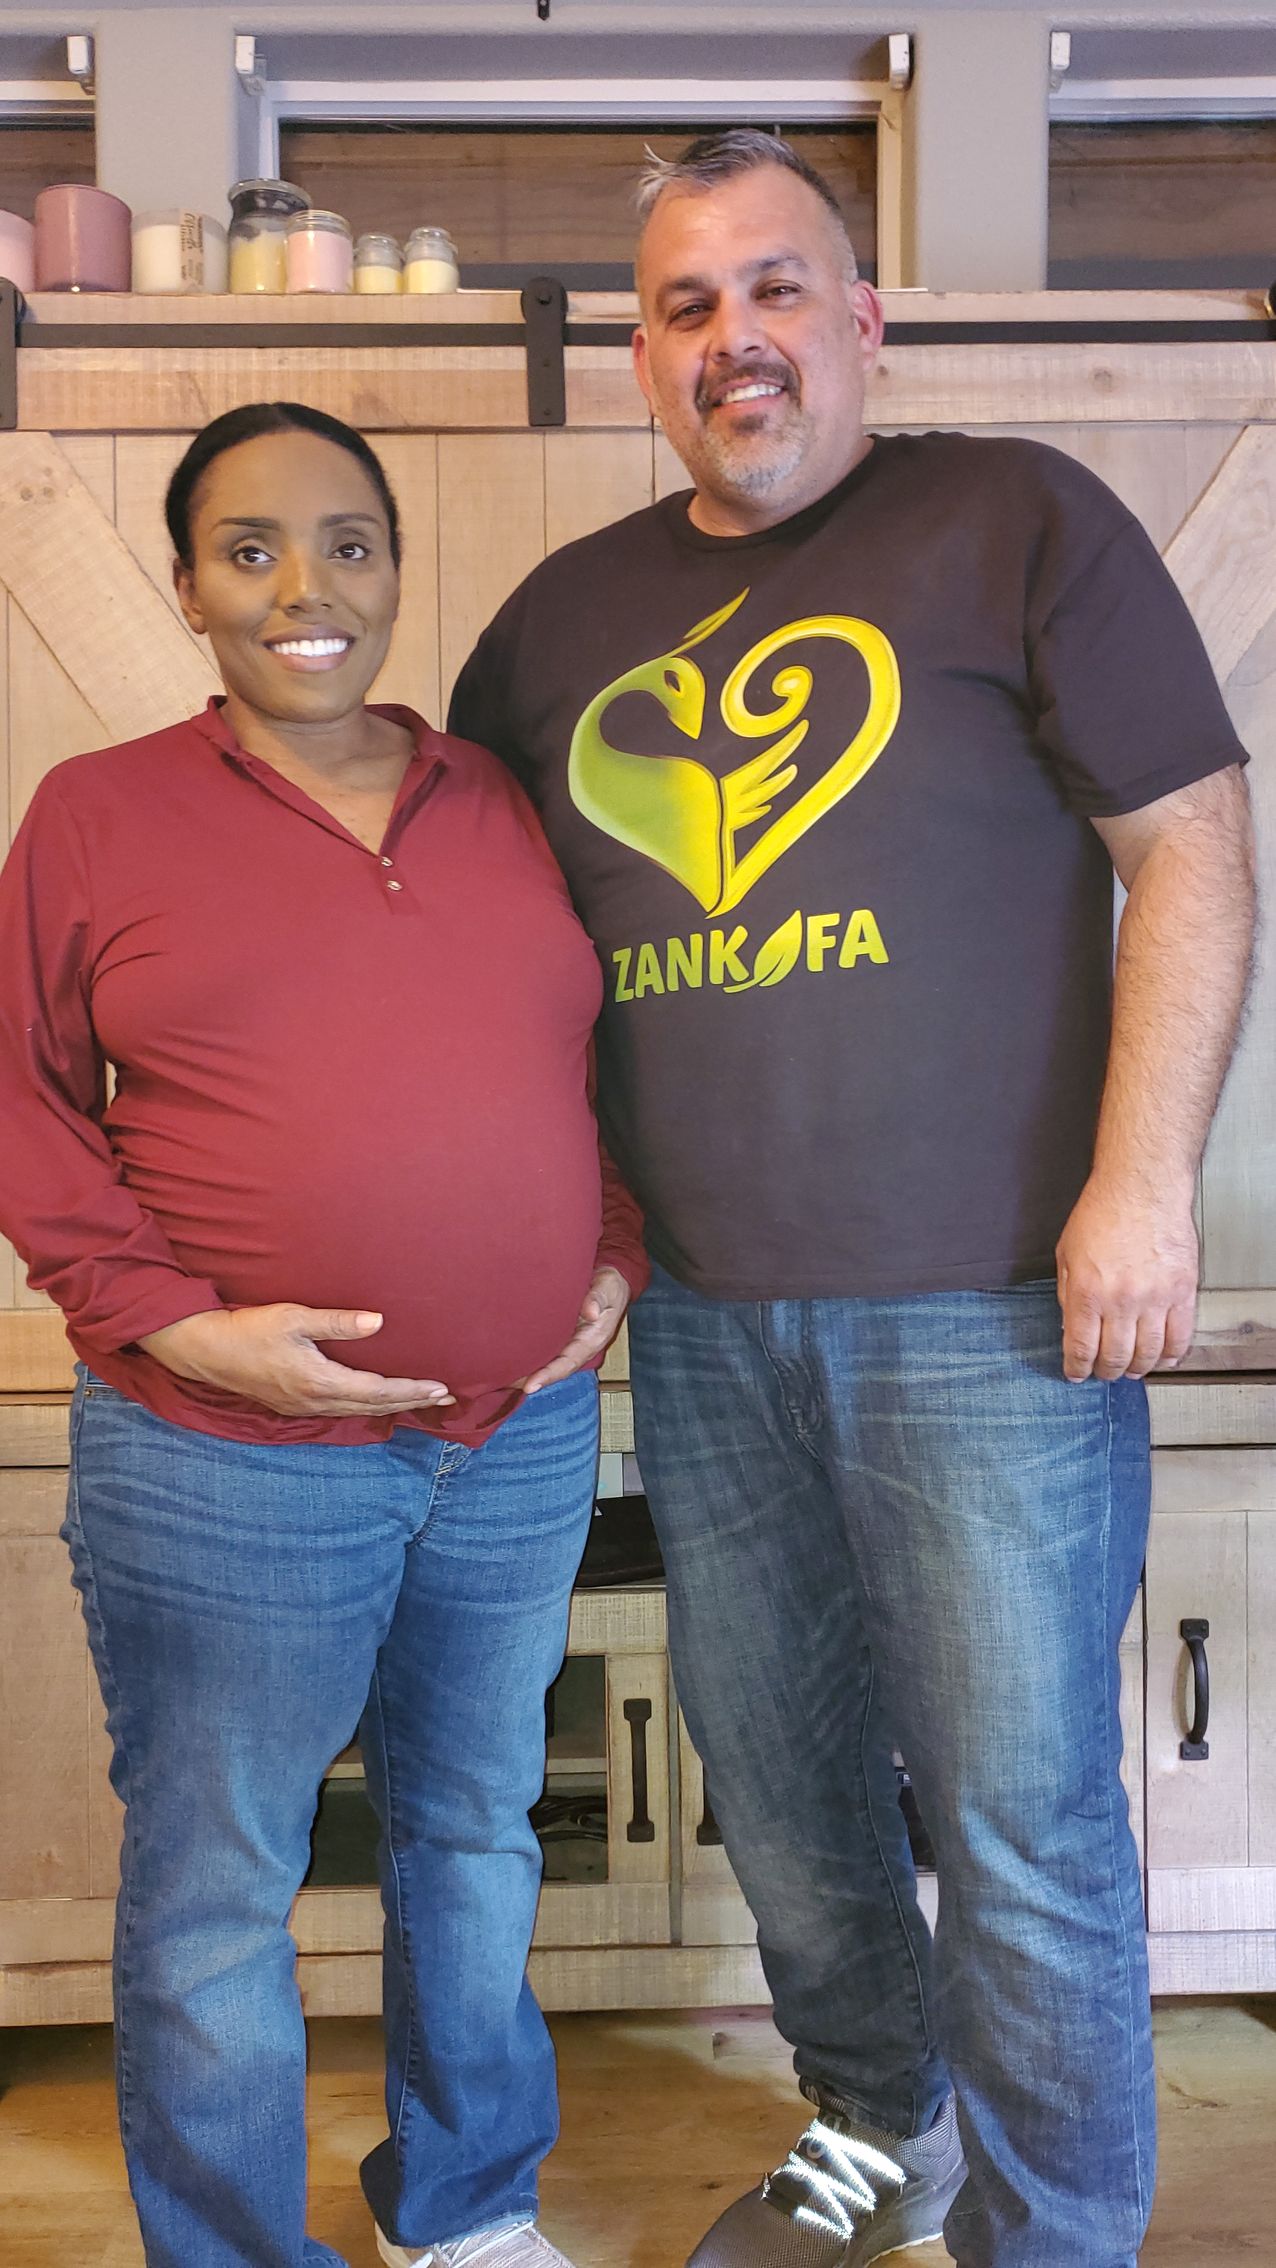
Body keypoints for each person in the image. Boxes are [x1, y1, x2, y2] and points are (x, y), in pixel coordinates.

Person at [447, 131, 1257, 2268]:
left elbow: (1187, 841)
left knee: (1018, 1819)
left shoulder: (1018, 521)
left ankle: (1055, 2233)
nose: (735, 337)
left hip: (994, 1313)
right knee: (788, 1792)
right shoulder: (553, 633)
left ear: (863, 318)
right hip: (704, 1321)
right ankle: (883, 2127)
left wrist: (1141, 1184)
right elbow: (485, 969)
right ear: (643, 358)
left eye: (775, 287)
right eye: (686, 306)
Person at [0, 400, 646, 2268]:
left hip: (511, 1439)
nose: (306, 587)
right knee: (220, 1885)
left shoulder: (501, 797)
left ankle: (468, 2208)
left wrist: (607, 1255)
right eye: (253, 548)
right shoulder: (98, 811)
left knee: (478, 1832)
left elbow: (589, 1057)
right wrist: (175, 1327)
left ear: (392, 569)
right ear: (190, 586)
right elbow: (22, 1096)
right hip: (225, 1460)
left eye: (347, 543)